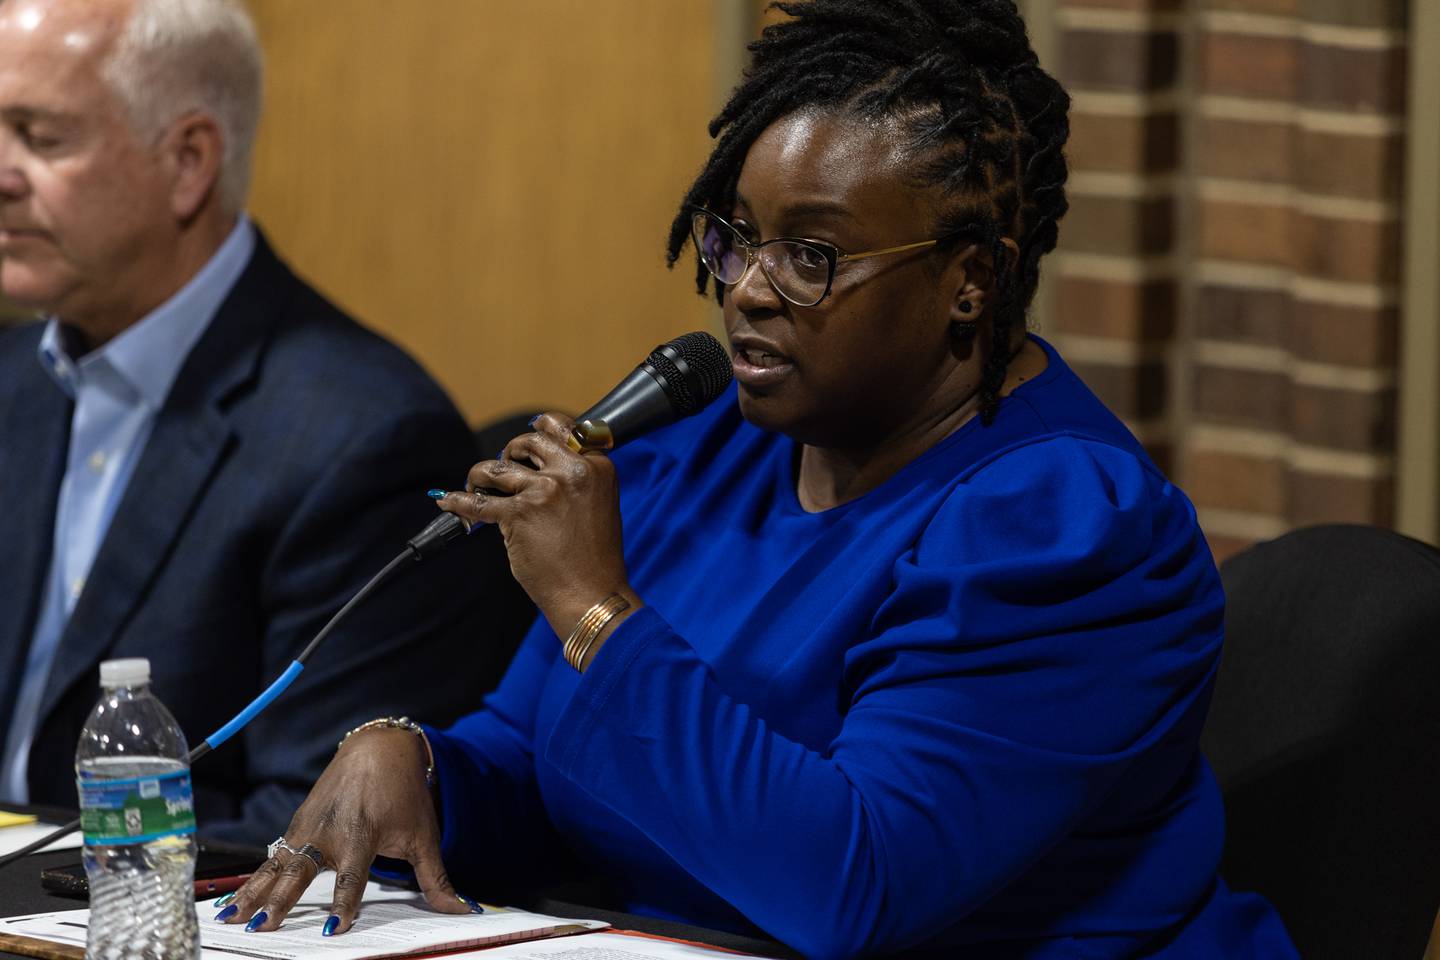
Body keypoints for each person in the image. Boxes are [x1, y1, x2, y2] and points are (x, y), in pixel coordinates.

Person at [225, 1, 1299, 955]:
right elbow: (534, 751)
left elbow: (856, 884)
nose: (747, 292)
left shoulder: (1065, 530)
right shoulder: (708, 448)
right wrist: (420, 766)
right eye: (736, 239)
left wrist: (597, 609)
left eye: (812, 255)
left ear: (970, 279)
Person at [0, 0, 531, 844]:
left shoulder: (364, 438)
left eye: (41, 137)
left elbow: (315, 826)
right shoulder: (15, 380)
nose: (3, 171)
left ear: (188, 162)